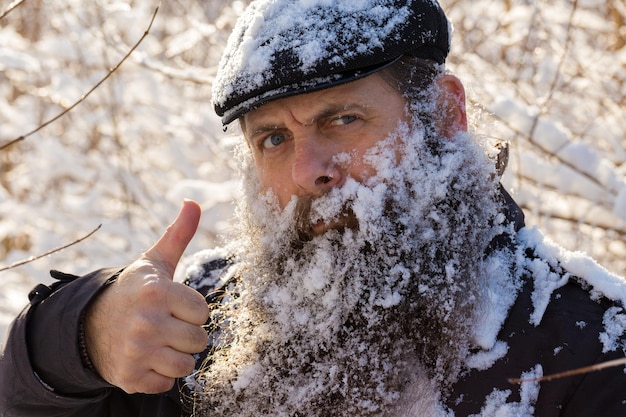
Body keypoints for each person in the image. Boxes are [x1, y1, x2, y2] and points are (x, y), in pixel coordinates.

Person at [1, 0, 625, 416]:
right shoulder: (197, 325)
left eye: (344, 118)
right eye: (274, 138)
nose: (307, 171)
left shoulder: (594, 343)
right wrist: (79, 338)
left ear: (445, 114)